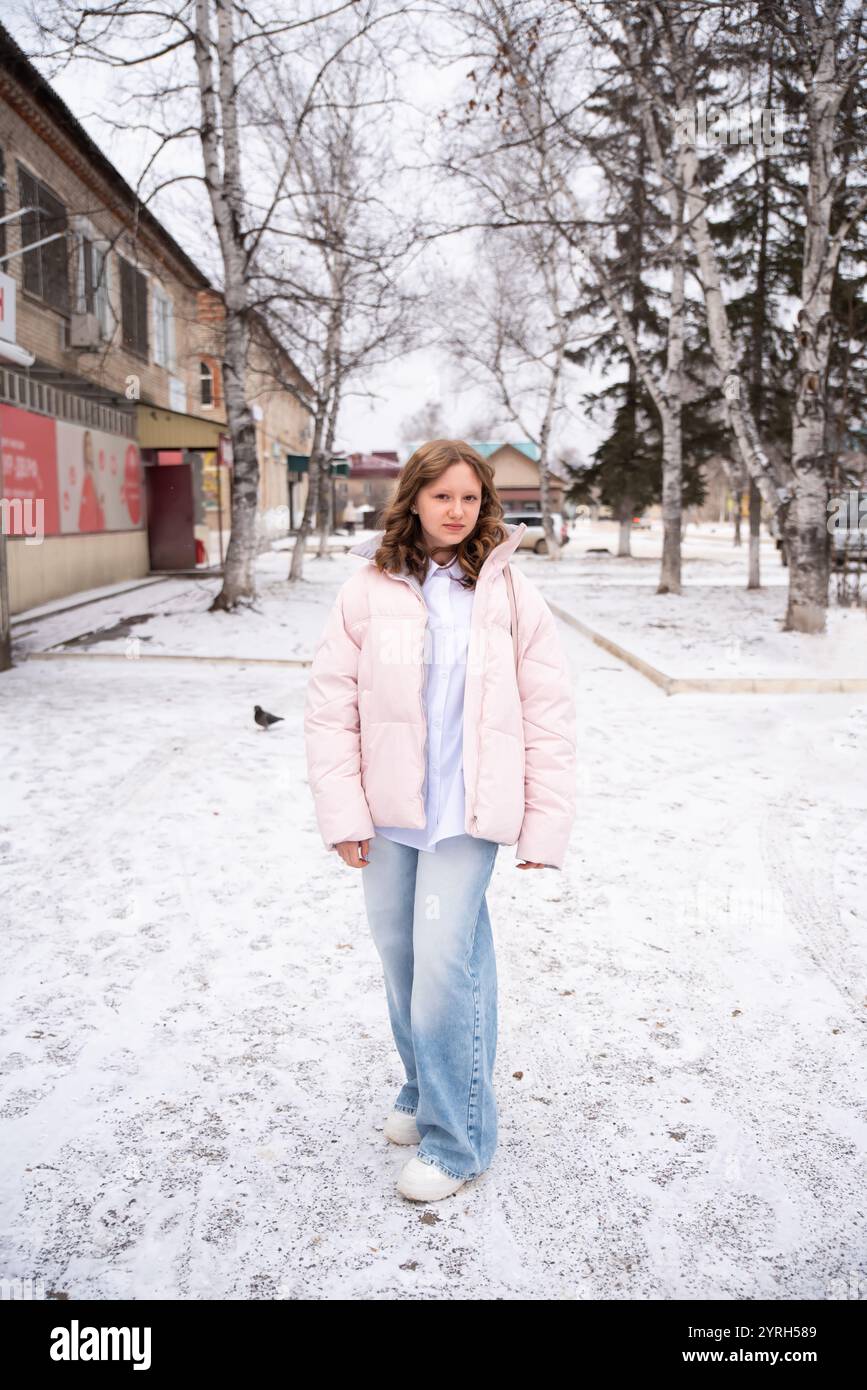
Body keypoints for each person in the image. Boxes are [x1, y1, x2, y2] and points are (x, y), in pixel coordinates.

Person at [303, 439, 577, 1203]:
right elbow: (331, 711)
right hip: (390, 815)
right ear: (413, 500)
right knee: (401, 956)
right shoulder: (367, 590)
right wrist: (344, 815)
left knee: (442, 969)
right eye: (441, 497)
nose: (456, 512)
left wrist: (543, 825)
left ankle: (458, 1141)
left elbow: (547, 715)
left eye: (469, 498)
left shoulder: (512, 594)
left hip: (467, 816)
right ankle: (425, 1091)